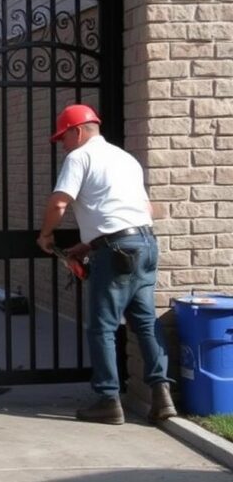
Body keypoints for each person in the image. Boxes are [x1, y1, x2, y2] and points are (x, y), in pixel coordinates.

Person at [36, 104, 176, 425]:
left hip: (116, 250)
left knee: (103, 326)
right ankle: (162, 395)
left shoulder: (79, 157)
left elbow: (59, 202)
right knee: (144, 322)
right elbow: (133, 210)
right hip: (145, 244)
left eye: (63, 138)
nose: (63, 144)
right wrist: (88, 244)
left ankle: (108, 399)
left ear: (79, 131)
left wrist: (46, 235)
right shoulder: (125, 159)